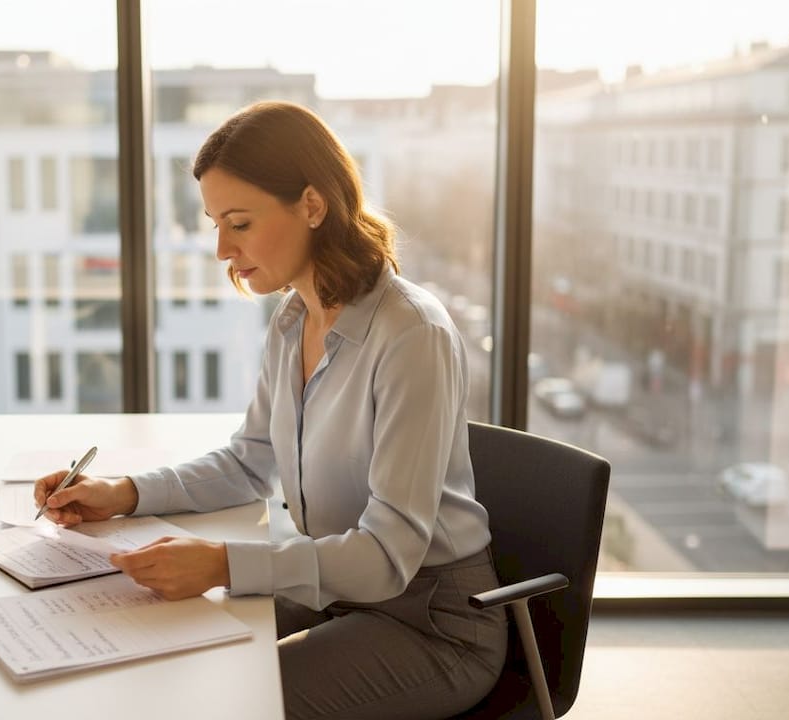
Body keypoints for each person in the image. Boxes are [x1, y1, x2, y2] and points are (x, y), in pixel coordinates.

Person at [34, 100, 507, 720]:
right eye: (214, 224)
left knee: (232, 698)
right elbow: (249, 461)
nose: (222, 249)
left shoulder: (412, 334)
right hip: (340, 590)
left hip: (433, 622)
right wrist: (122, 493)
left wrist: (222, 563)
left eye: (239, 222)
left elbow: (389, 556)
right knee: (160, 643)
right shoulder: (293, 320)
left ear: (312, 205)